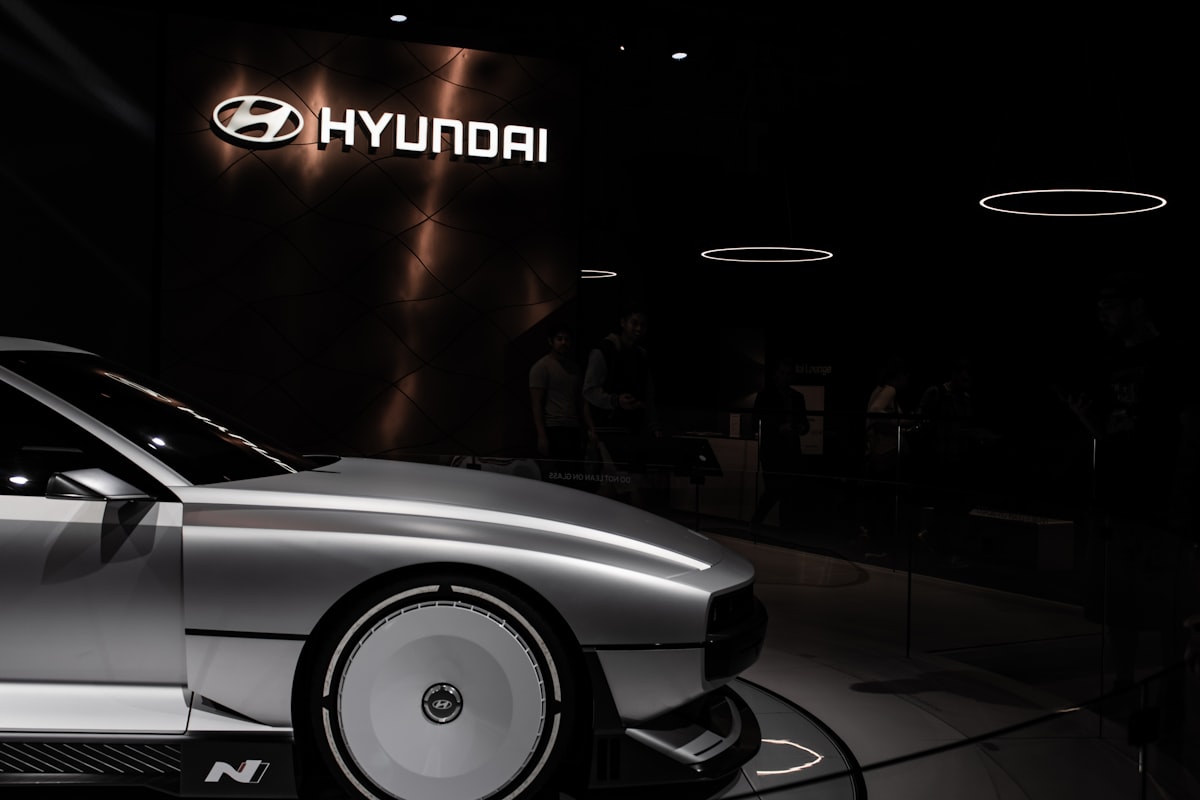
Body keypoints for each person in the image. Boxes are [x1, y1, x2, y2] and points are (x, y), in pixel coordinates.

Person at [1058, 270, 1199, 745]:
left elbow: (1190, 429)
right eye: (1099, 306)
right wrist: (1089, 418)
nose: (1102, 314)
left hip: (1159, 505)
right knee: (1118, 601)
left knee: (1168, 607)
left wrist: (1180, 501)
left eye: (1110, 304)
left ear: (1138, 304)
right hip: (1118, 501)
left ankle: (1172, 698)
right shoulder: (1111, 360)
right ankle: (1123, 685)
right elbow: (1110, 429)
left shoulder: (1174, 356)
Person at [910, 356, 997, 566]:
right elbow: (921, 420)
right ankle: (939, 547)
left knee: (957, 508)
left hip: (960, 461)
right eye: (963, 375)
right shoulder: (936, 393)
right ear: (954, 374)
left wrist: (979, 437)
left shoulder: (965, 397)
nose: (966, 380)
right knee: (945, 506)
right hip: (940, 460)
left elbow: (965, 427)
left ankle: (942, 545)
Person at [582, 301, 661, 502]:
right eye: (634, 323)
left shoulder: (641, 355)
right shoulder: (604, 351)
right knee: (633, 487)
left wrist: (652, 424)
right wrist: (616, 401)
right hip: (610, 432)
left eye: (643, 324)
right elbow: (589, 391)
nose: (639, 328)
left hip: (633, 430)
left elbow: (649, 395)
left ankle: (592, 515)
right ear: (623, 323)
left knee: (612, 488)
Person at [857, 356, 914, 558]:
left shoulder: (879, 389)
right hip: (885, 456)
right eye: (907, 376)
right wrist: (900, 422)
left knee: (880, 502)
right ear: (901, 376)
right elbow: (875, 412)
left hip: (881, 455)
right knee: (885, 503)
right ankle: (882, 547)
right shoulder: (890, 390)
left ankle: (878, 544)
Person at [751, 355, 810, 532]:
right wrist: (779, 428)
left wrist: (800, 428)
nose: (785, 377)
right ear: (776, 374)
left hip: (791, 452)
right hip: (772, 452)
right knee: (775, 490)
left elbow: (805, 423)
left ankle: (780, 530)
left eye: (788, 373)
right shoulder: (765, 396)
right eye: (783, 373)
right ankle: (757, 525)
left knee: (787, 494)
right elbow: (757, 422)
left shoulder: (798, 397)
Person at [528, 324, 592, 487]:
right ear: (551, 341)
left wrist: (588, 428)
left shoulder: (574, 369)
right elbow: (536, 403)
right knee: (557, 478)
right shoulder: (541, 367)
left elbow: (581, 401)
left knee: (575, 476)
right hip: (554, 427)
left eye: (567, 339)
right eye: (559, 339)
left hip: (574, 427)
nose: (563, 342)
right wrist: (541, 435)